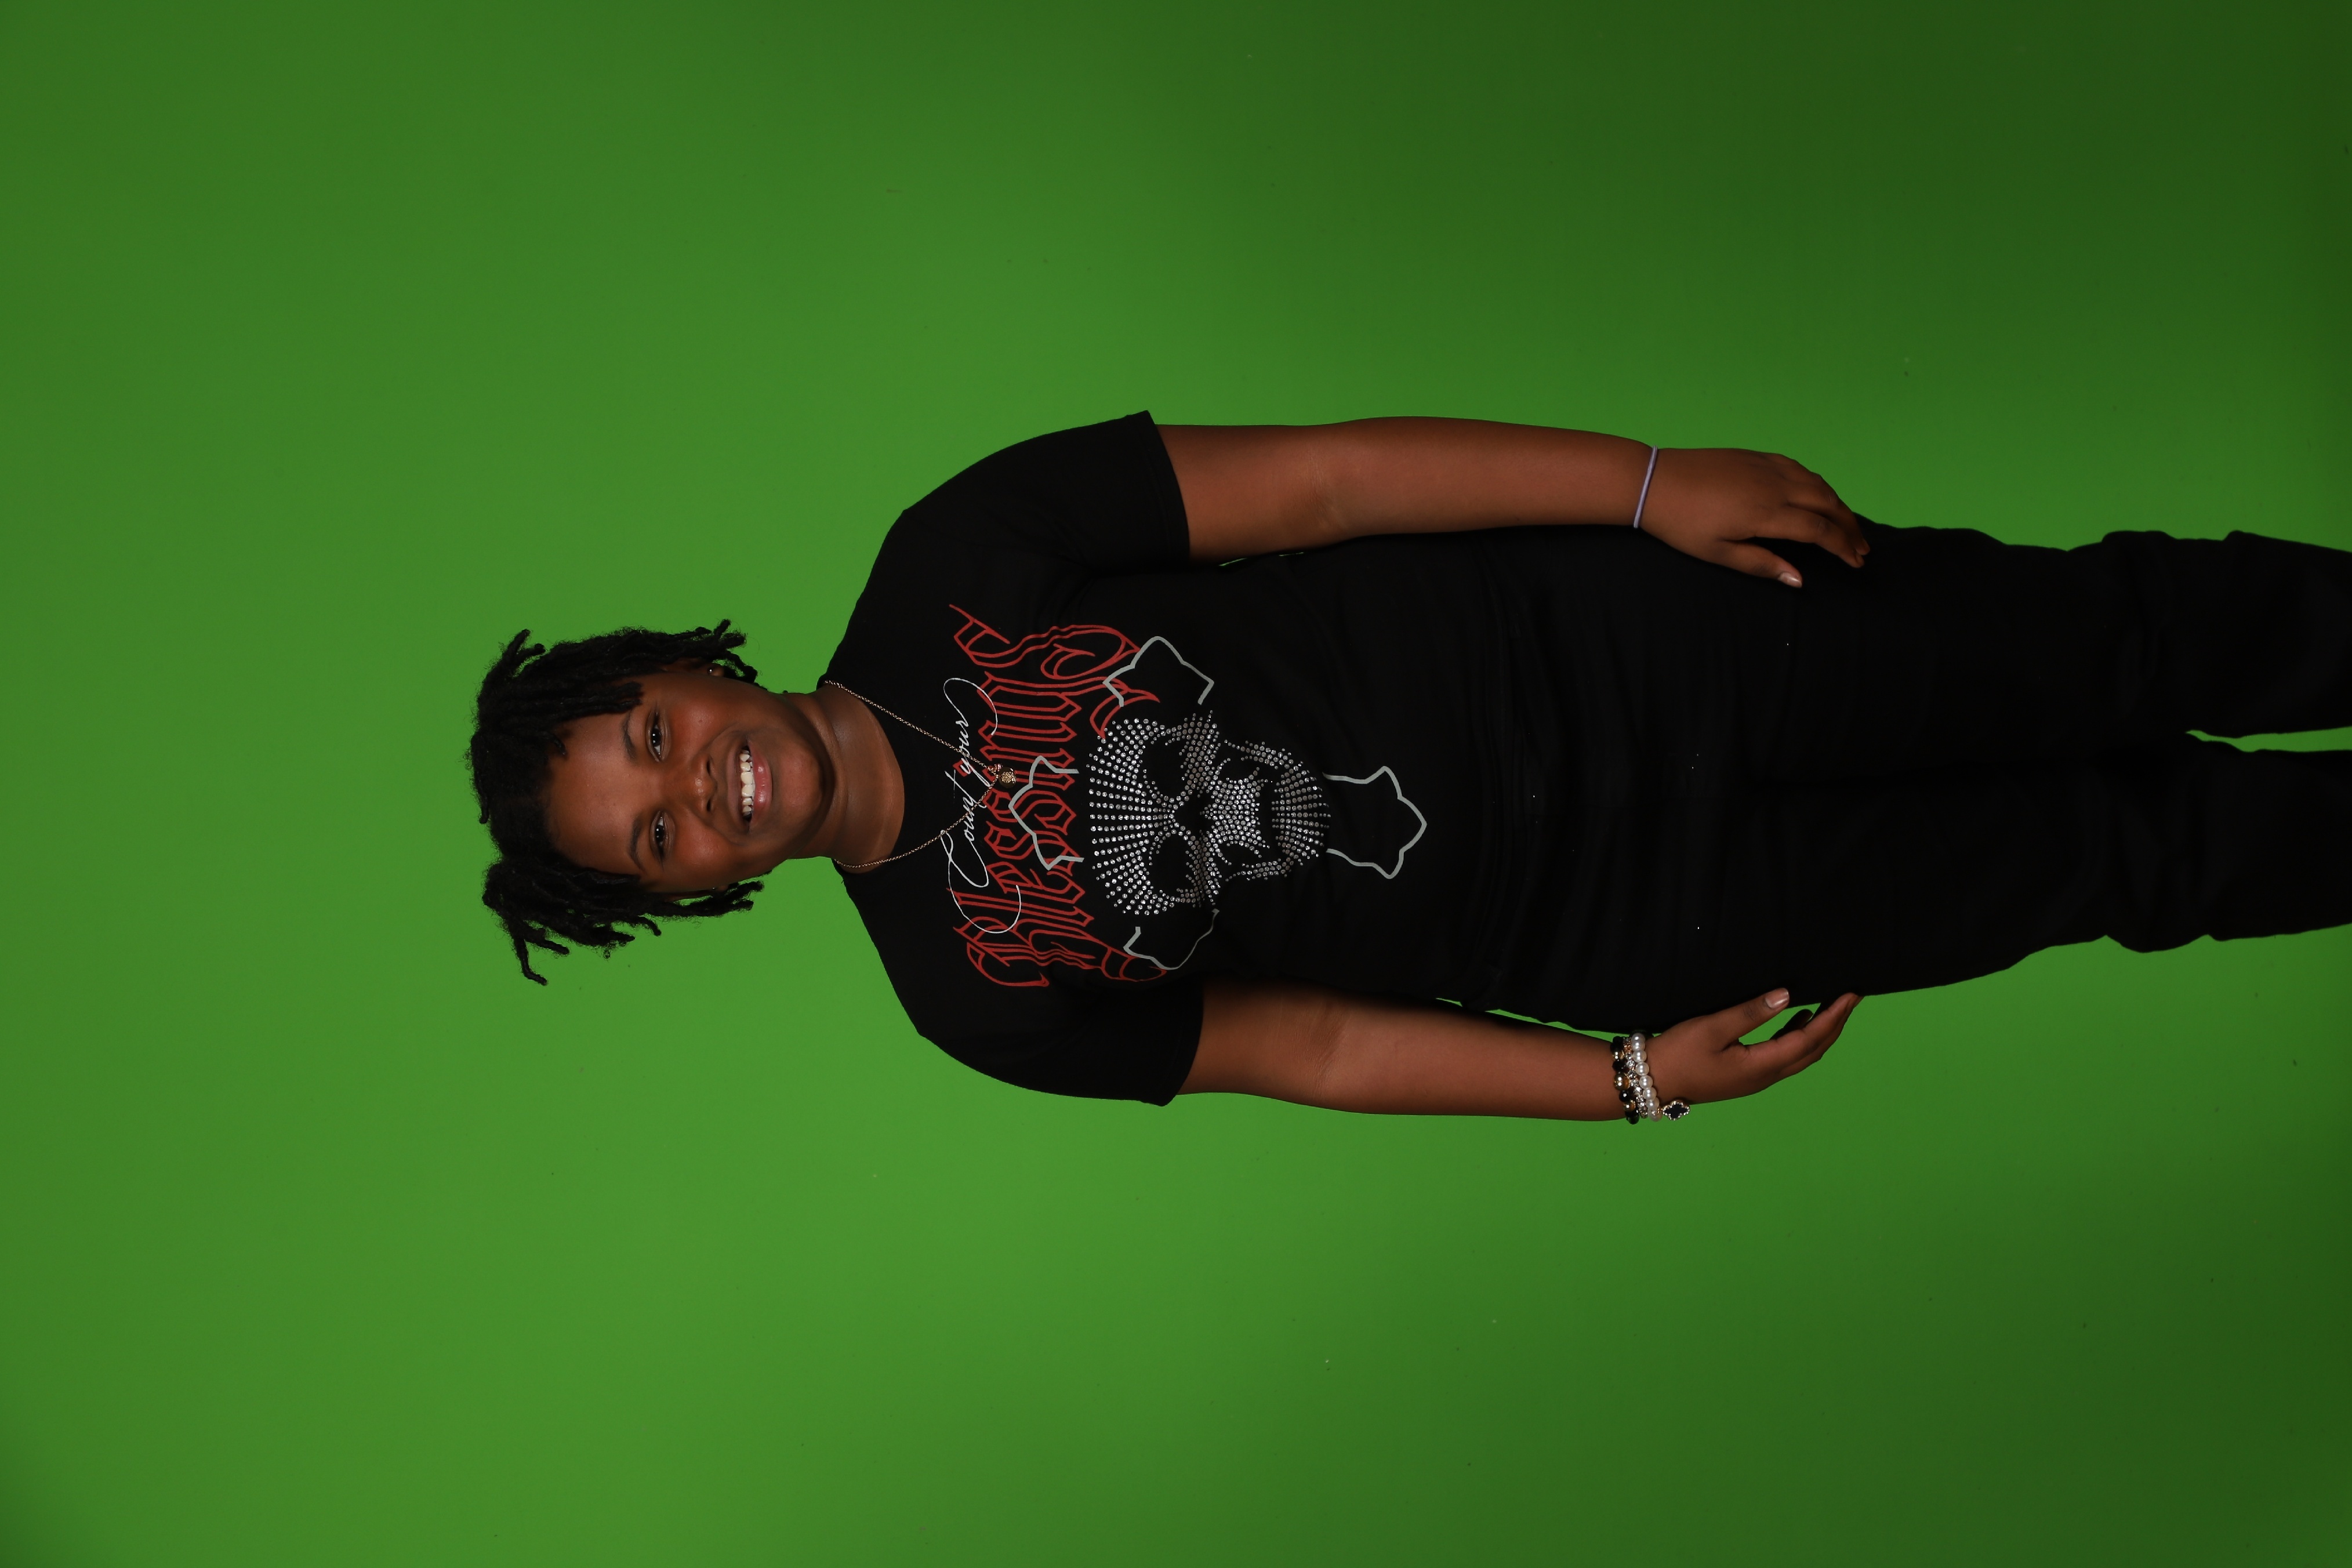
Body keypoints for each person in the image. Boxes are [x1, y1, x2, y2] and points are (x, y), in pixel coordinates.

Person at [467, 415, 2352, 1121]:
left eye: (655, 737)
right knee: (2129, 863)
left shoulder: (956, 550)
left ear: (682, 667)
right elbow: (1313, 1047)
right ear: (688, 895)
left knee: (2112, 640)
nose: (697, 791)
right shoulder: (970, 998)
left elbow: (1327, 481)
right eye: (655, 839)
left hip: (1638, 641)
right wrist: (1624, 1081)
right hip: (1626, 920)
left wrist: (1644, 487)